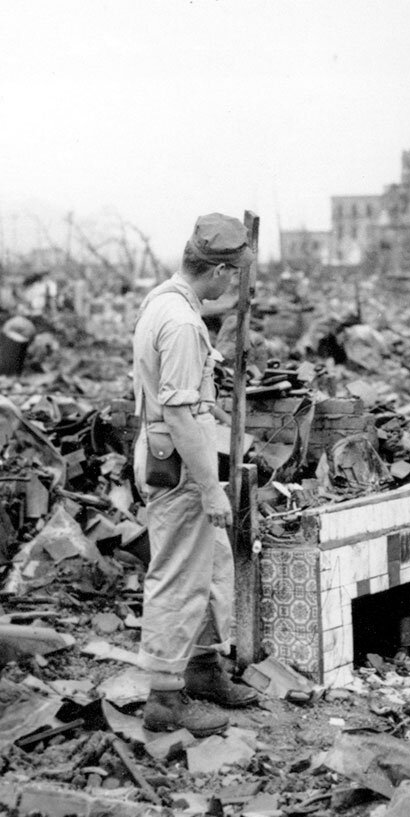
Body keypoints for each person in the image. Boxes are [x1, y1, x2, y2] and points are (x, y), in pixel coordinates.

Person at [132, 214, 260, 735]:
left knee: (211, 568)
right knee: (180, 576)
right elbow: (182, 415)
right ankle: (164, 698)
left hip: (180, 456)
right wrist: (211, 489)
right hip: (182, 465)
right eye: (234, 274)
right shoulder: (183, 325)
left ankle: (204, 668)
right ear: (223, 270)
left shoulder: (167, 299)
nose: (234, 284)